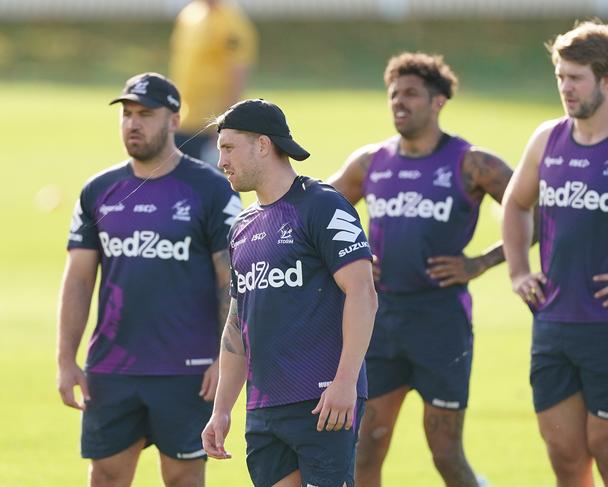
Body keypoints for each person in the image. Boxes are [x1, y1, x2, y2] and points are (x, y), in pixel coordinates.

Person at [329, 52, 513, 486]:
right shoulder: (370, 162)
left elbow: (539, 212)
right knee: (364, 450)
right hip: (379, 322)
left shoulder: (472, 163)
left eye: (411, 93)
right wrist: (349, 259)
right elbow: (316, 215)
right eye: (394, 94)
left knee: (446, 454)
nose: (399, 102)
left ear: (438, 102)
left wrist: (481, 262)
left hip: (442, 323)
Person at [56, 72, 241, 487]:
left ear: (174, 121)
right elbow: (79, 280)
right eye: (126, 114)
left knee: (183, 479)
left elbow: (231, 281)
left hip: (188, 370)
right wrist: (66, 359)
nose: (133, 123)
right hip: (112, 368)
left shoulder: (211, 189)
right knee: (105, 477)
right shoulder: (98, 191)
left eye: (145, 114)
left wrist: (222, 357)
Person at [201, 99, 378, 487]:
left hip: (323, 401)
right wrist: (222, 409)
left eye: (229, 147)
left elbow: (362, 292)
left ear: (263, 145)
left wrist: (346, 382)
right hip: (264, 408)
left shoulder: (323, 205)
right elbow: (237, 321)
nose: (221, 161)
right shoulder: (242, 227)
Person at [502, 20, 608, 486]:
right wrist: (519, 272)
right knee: (565, 456)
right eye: (560, 76)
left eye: (575, 77)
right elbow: (515, 204)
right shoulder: (548, 138)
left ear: (607, 79)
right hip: (553, 323)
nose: (565, 88)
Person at [169, 0, 258, 165]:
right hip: (182, 121)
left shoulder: (231, 21)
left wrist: (226, 127)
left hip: (209, 127)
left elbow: (237, 74)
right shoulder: (190, 14)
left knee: (209, 187)